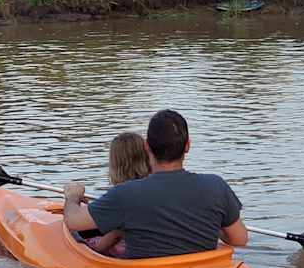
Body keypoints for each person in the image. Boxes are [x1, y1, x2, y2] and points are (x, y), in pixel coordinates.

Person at [64, 108, 247, 259]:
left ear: (147, 146)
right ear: (187, 146)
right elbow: (239, 239)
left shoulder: (125, 194)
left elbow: (73, 222)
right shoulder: (216, 186)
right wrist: (210, 223)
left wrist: (73, 196)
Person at [88, 131, 152, 258]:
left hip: (129, 253)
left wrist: (72, 197)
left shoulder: (121, 196)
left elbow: (115, 235)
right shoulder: (154, 186)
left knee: (88, 241)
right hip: (151, 246)